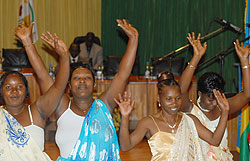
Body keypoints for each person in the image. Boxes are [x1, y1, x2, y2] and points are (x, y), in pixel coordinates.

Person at [23, 19, 138, 160]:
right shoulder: (61, 106)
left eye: (87, 78)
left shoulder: (104, 105)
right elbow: (42, 75)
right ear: (69, 86)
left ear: (95, 85)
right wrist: (27, 42)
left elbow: (122, 75)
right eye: (76, 78)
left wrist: (133, 39)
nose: (82, 80)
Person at [0, 23, 70, 160]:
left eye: (19, 87)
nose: (14, 91)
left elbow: (58, 87)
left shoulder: (37, 112)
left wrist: (65, 57)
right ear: (1, 92)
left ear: (27, 91)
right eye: (8, 87)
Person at [116, 78, 229, 160]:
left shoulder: (190, 120)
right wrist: (125, 117)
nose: (174, 103)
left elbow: (215, 140)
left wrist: (224, 113)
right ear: (158, 99)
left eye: (178, 98)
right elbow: (126, 146)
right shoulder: (149, 122)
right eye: (169, 99)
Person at [179, 33, 250, 160]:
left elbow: (247, 95)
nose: (214, 104)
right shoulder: (191, 110)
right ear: (200, 93)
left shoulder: (223, 106)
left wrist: (244, 61)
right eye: (211, 99)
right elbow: (181, 90)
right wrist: (196, 57)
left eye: (217, 99)